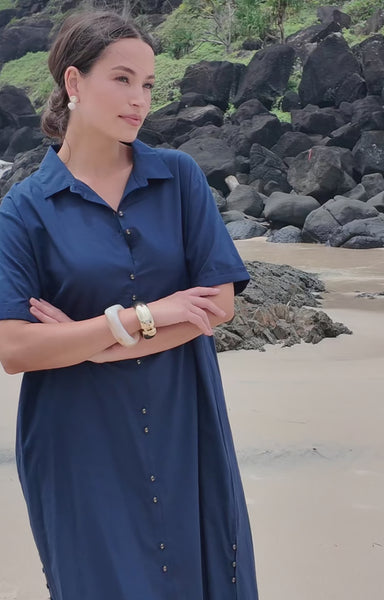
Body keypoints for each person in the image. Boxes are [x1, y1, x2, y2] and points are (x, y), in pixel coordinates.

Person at [0, 9, 259, 600]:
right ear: (74, 81)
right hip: (78, 441)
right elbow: (14, 348)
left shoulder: (179, 179)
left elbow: (216, 305)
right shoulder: (24, 210)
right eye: (122, 79)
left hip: (183, 425)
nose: (139, 99)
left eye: (147, 84)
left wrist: (95, 345)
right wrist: (147, 315)